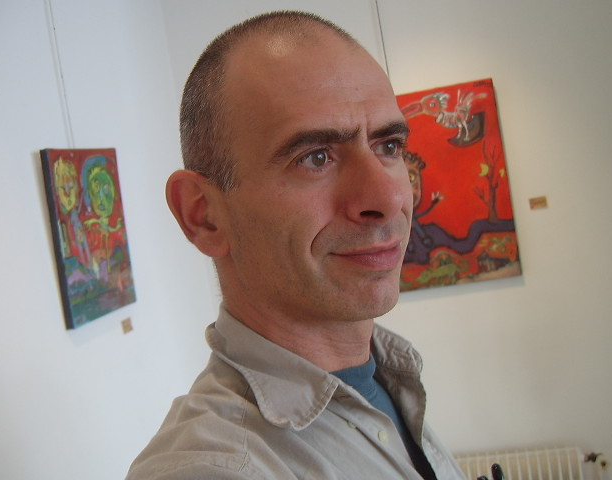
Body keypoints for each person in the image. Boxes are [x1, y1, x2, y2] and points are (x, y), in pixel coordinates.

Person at [126, 11, 466, 480]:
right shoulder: (217, 469)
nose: (389, 198)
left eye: (388, 146)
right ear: (203, 215)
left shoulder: (385, 377)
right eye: (316, 157)